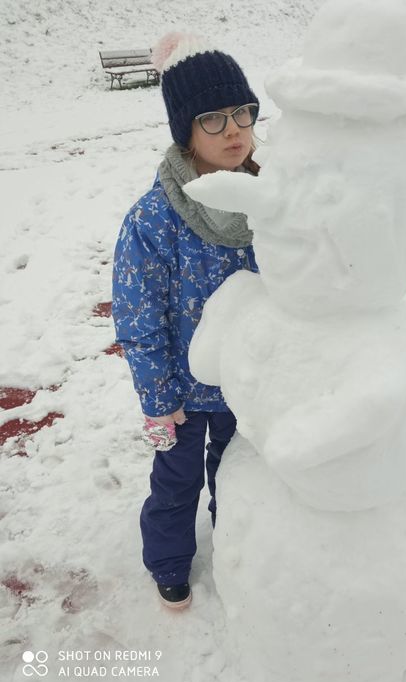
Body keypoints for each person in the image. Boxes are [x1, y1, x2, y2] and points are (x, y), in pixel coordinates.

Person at [112, 32, 260, 610]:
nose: (235, 130)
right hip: (179, 389)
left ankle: (238, 546)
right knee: (177, 484)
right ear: (185, 130)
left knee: (240, 477)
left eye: (243, 112)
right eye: (214, 119)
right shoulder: (156, 216)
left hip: (248, 382)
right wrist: (157, 394)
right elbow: (137, 310)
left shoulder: (268, 197)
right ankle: (169, 562)